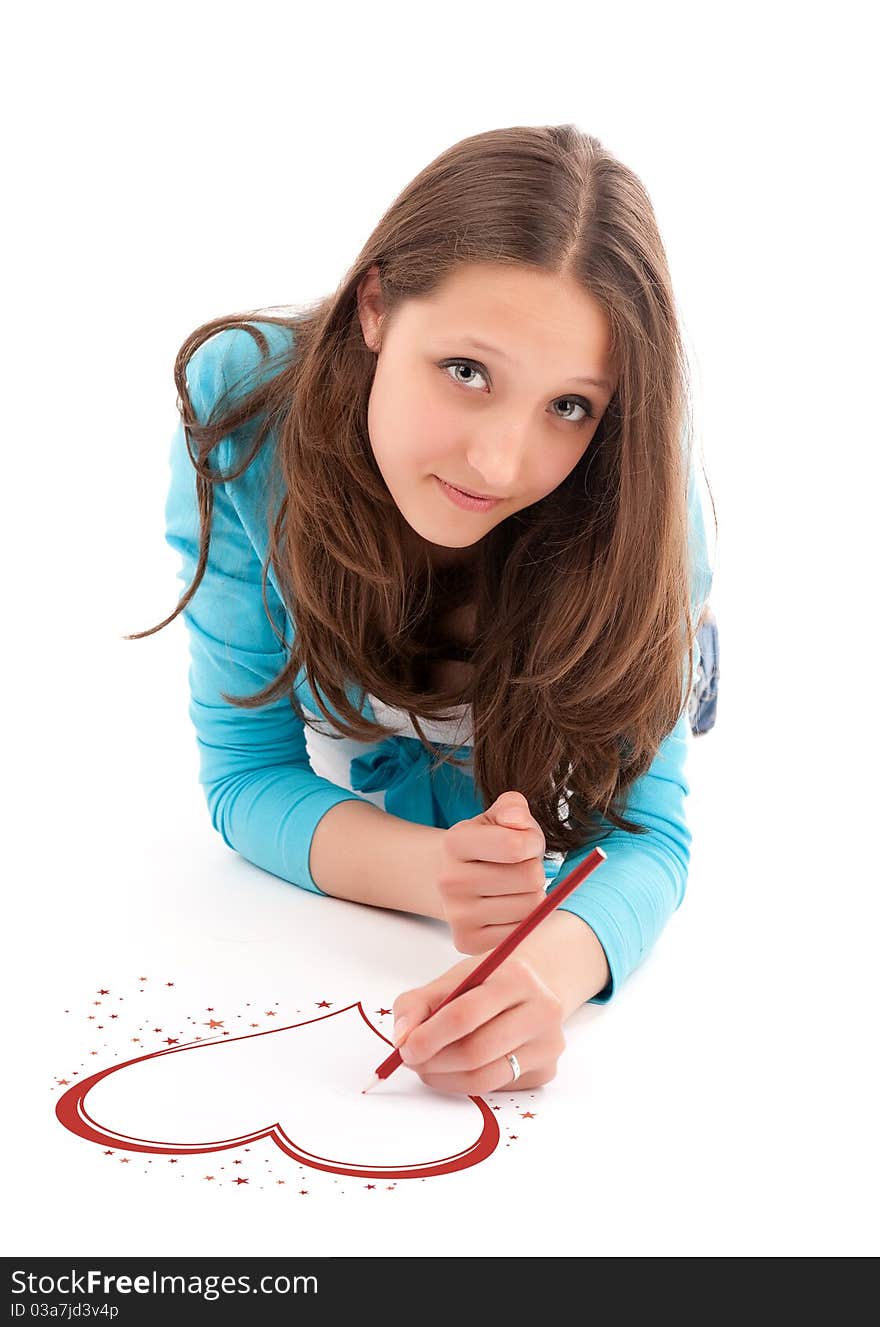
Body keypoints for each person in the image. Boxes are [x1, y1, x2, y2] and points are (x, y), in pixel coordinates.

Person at [128, 124, 718, 1098]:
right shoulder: (245, 413)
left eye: (569, 405)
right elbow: (244, 776)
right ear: (374, 305)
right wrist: (435, 869)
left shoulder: (641, 515)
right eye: (467, 371)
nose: (499, 463)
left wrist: (541, 975)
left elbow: (649, 834)